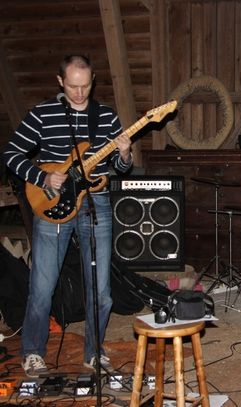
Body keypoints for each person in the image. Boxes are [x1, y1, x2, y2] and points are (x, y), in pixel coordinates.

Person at [2, 55, 133, 377]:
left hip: (95, 204)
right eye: (73, 86)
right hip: (52, 203)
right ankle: (33, 352)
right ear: (60, 81)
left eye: (85, 86)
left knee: (101, 290)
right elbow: (11, 154)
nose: (79, 93)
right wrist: (43, 177)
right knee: (42, 287)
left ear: (93, 81)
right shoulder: (43, 113)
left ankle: (94, 352)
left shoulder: (105, 116)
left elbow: (120, 169)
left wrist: (125, 152)